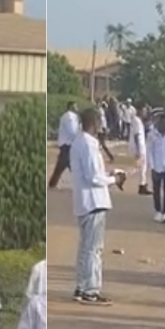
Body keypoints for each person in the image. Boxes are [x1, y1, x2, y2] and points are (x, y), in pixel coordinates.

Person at [73, 111, 120, 306]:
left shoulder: (78, 142)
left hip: (84, 202)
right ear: (94, 122)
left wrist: (107, 174)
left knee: (85, 248)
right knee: (94, 249)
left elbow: (90, 172)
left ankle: (82, 287)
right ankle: (91, 291)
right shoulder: (90, 144)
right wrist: (113, 179)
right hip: (94, 201)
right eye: (100, 121)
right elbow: (93, 177)